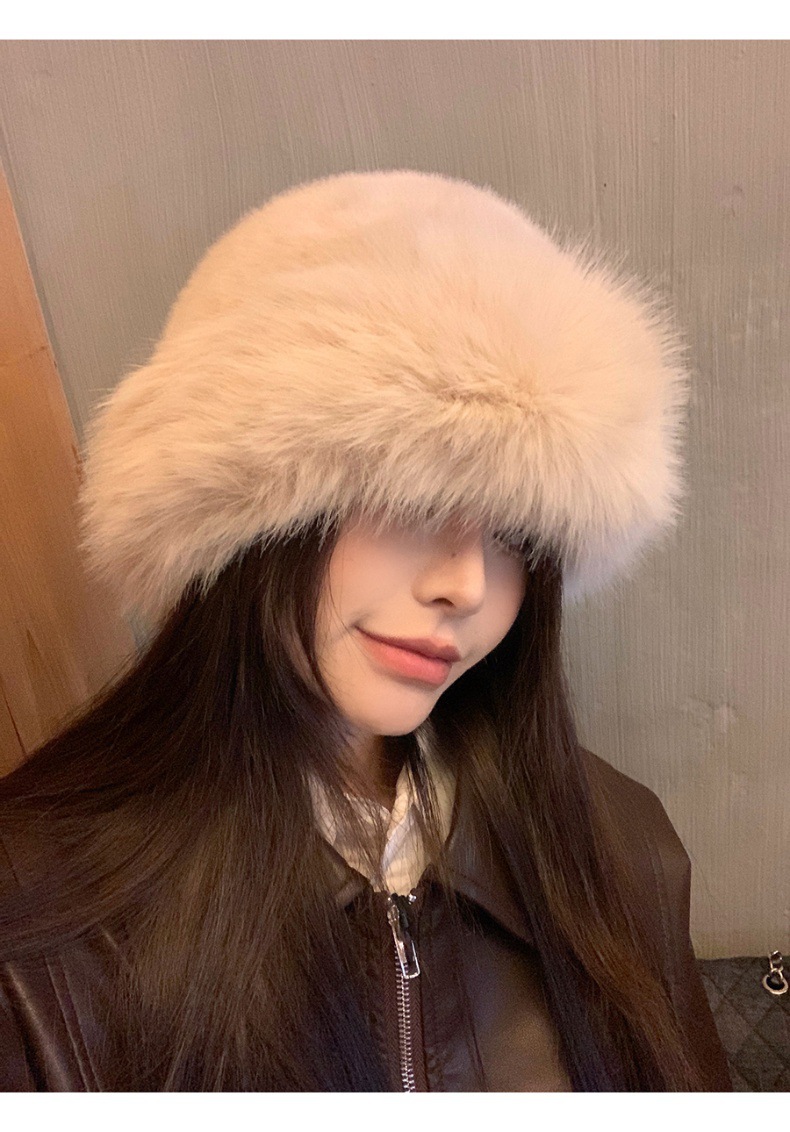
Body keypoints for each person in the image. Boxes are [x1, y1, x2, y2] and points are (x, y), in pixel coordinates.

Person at [0, 169, 732, 1091]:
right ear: (245, 523)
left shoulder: (622, 848)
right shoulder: (36, 911)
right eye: (411, 499)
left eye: (515, 533)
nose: (466, 583)